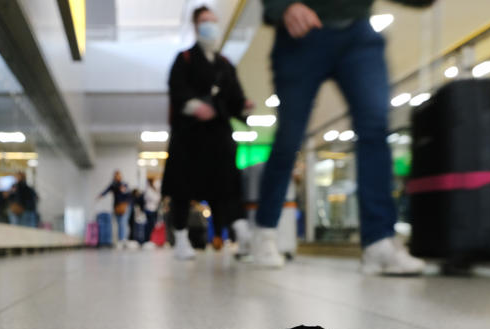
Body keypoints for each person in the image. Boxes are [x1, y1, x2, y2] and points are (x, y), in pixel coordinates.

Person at [254, 0, 432, 273]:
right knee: (289, 139)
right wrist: (284, 6)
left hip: (357, 32)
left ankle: (378, 242)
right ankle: (265, 231)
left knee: (374, 128)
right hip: (301, 34)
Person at [162, 5, 252, 260]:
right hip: (189, 136)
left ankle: (240, 233)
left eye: (213, 21)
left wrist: (244, 108)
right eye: (204, 21)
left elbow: (236, 99)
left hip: (218, 137)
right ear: (195, 25)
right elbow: (176, 90)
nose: (209, 26)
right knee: (182, 189)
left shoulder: (225, 65)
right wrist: (195, 106)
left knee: (228, 187)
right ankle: (180, 238)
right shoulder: (185, 59)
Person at [98, 170, 132, 248]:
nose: (117, 177)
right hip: (117, 207)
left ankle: (123, 240)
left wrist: (124, 190)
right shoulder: (113, 185)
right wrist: (100, 195)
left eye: (119, 175)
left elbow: (128, 195)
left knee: (123, 223)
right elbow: (106, 191)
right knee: (119, 223)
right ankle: (120, 240)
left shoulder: (124, 184)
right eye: (116, 175)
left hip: (124, 207)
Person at [144, 178, 162, 245]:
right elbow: (154, 199)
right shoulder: (148, 190)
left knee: (153, 226)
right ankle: (147, 240)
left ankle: (151, 240)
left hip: (154, 209)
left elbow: (158, 198)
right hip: (149, 210)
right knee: (149, 225)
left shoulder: (154, 190)